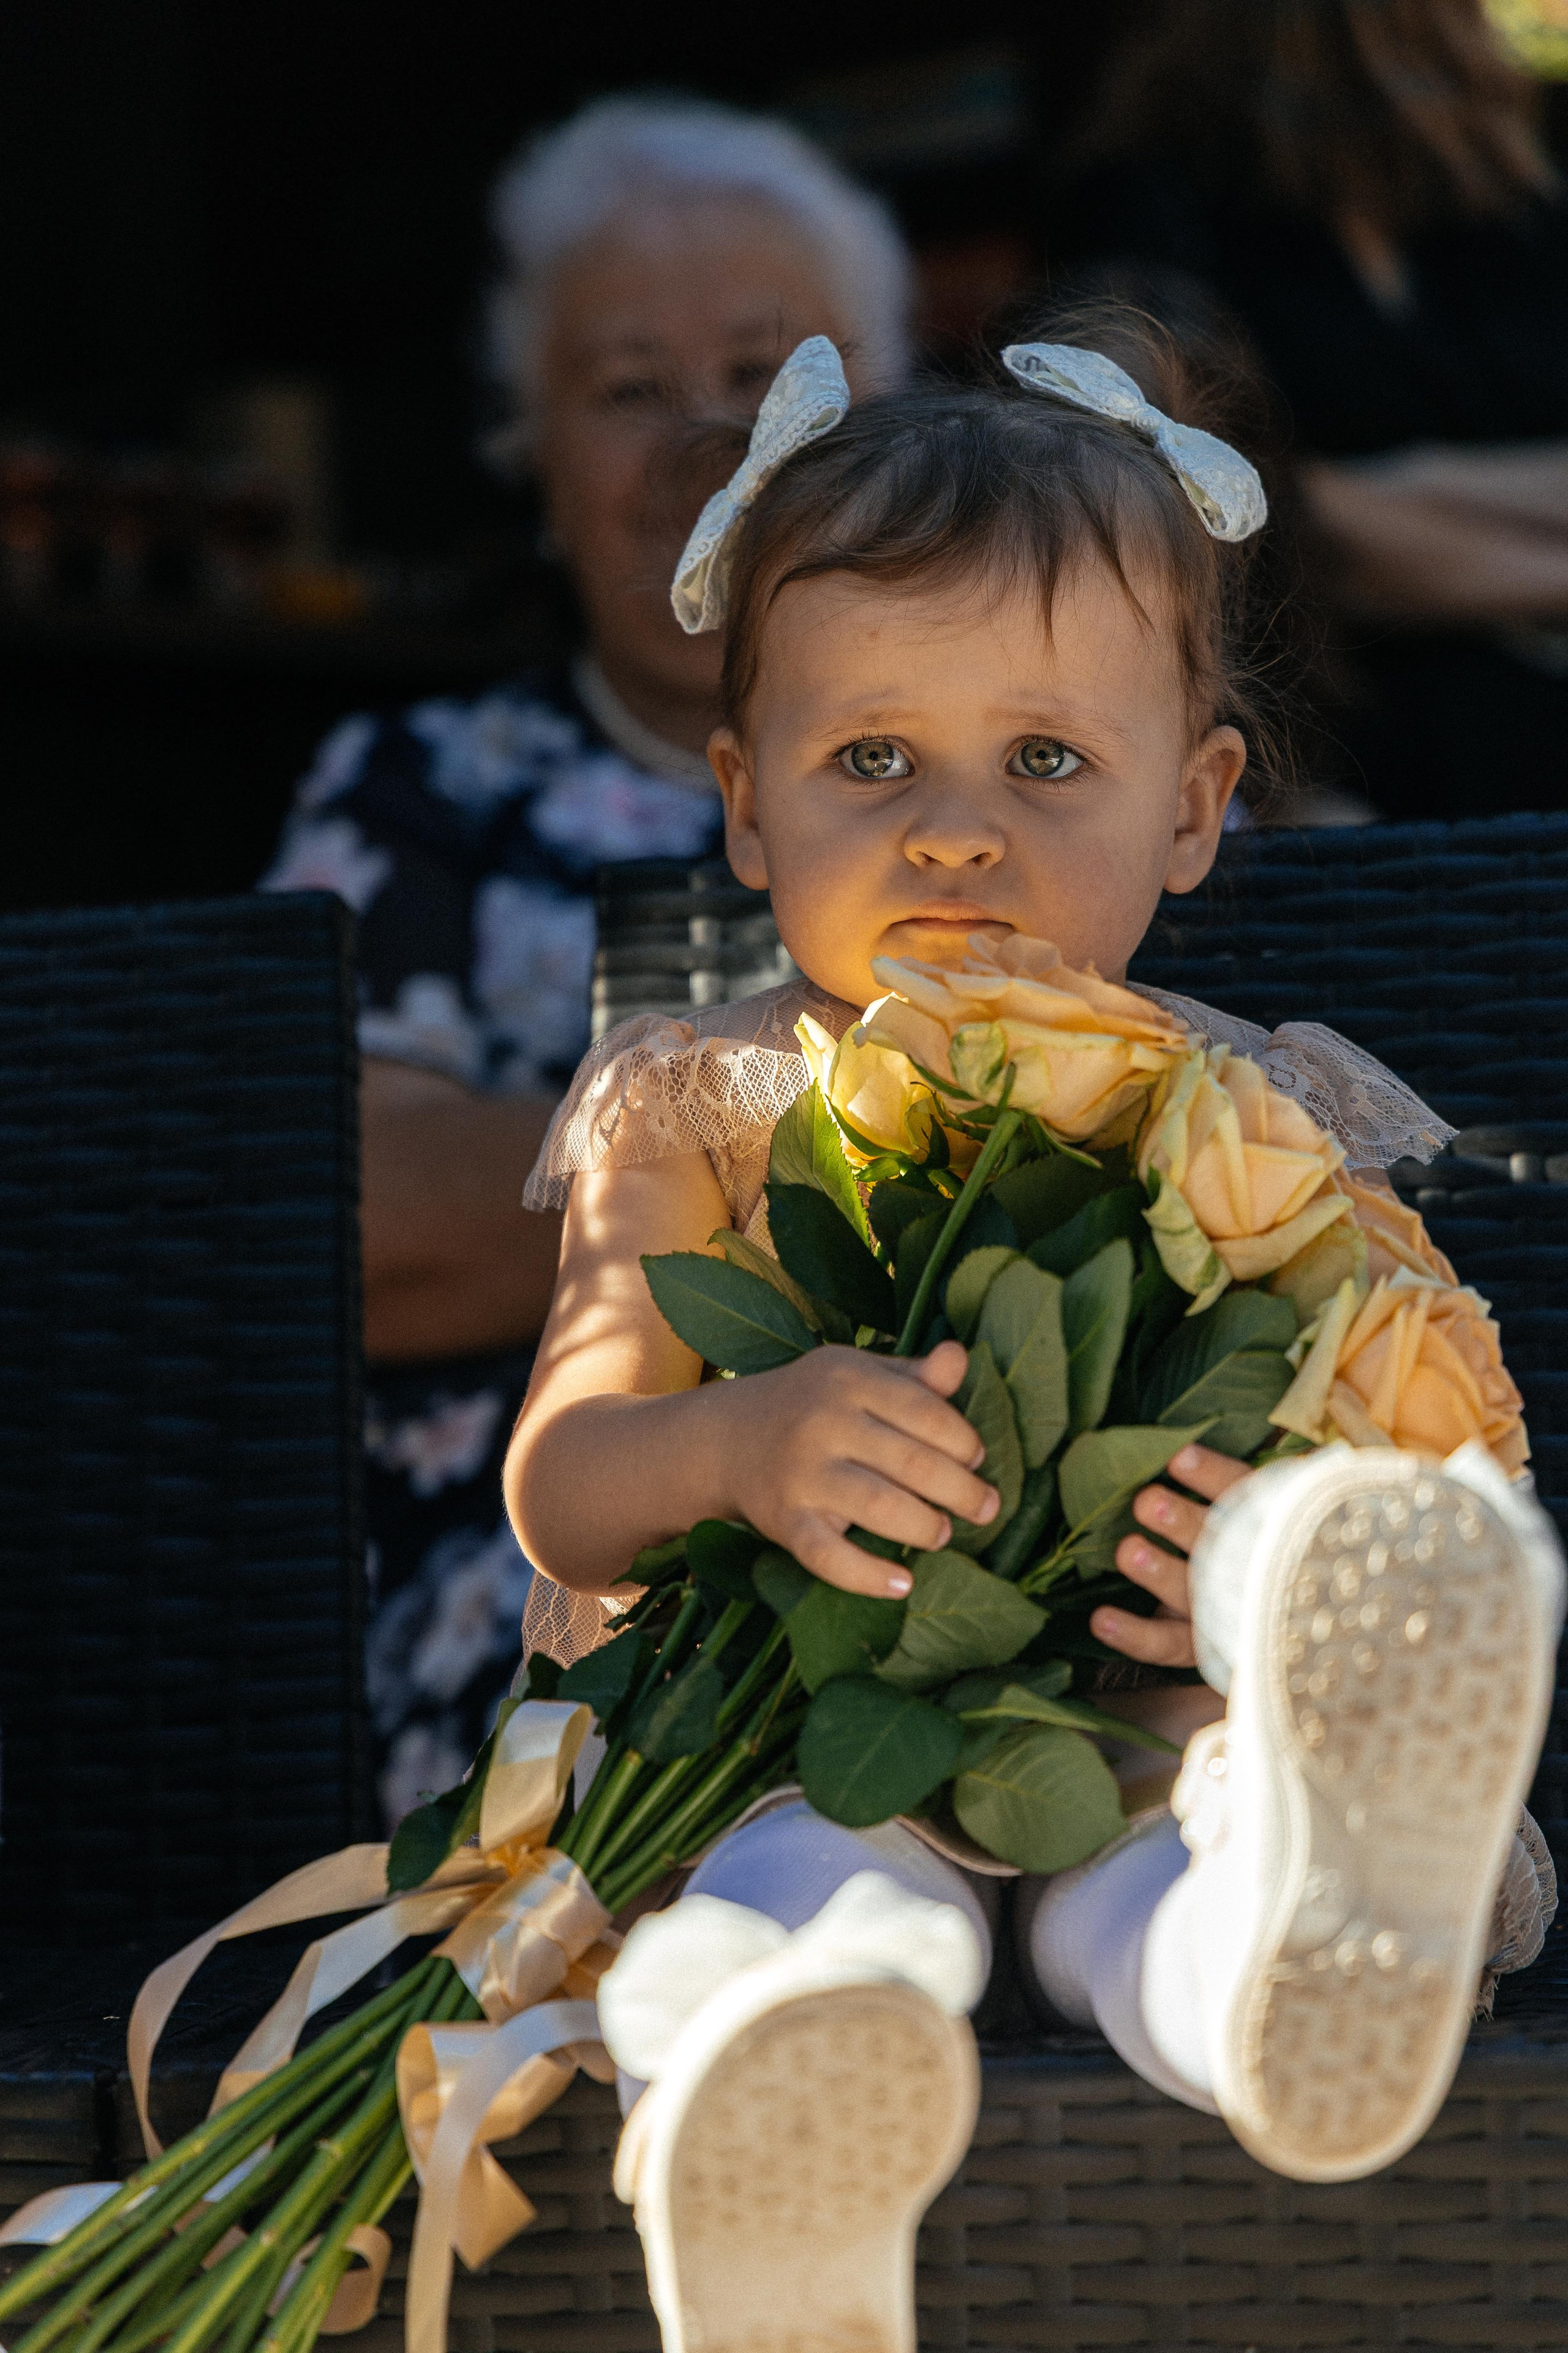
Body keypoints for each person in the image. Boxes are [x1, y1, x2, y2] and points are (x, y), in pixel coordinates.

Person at [502, 315, 1563, 2343]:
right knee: (828, 1895)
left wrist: (1248, 1567)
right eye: (871, 758)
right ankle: (780, 2122)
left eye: (1047, 758)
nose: (956, 828)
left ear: (1196, 806)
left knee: (1152, 1886)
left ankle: (1288, 1981)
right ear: (746, 805)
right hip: (789, 1742)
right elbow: (567, 1476)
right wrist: (739, 1441)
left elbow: (1388, 1446)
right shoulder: (699, 1106)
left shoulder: (1263, 1113)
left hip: (1120, 1740)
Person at [259, 97, 912, 1826]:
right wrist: (853, 1147)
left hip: (939, 1556)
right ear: (531, 453)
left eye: (767, 377)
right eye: (628, 389)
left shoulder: (1009, 782)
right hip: (537, 1631)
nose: (707, 442)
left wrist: (593, 1180)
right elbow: (359, 1233)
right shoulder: (420, 791)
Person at [1059, 0, 1568, 820]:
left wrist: (1400, 489)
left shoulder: (1505, 208)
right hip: (1353, 761)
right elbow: (1262, 525)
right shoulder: (1162, 206)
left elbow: (1318, 511)